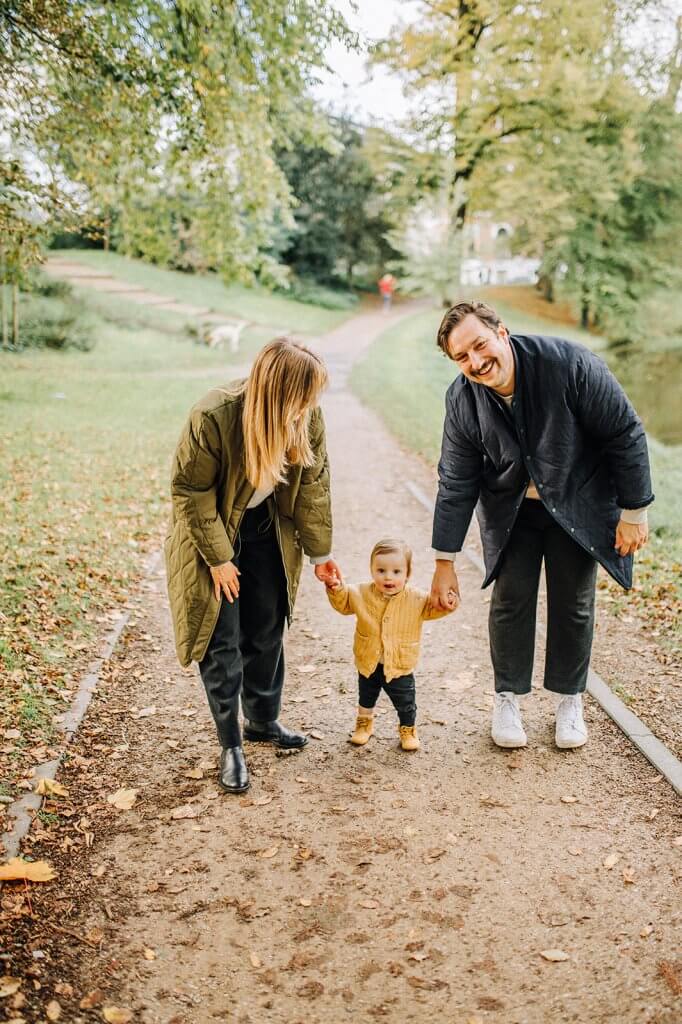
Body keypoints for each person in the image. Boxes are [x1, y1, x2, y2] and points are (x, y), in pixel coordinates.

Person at [429, 301, 653, 751]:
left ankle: (570, 700)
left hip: (578, 500)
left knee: (574, 602)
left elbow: (624, 432)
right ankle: (506, 697)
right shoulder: (462, 400)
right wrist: (444, 561)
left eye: (480, 345)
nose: (476, 362)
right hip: (512, 510)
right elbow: (456, 481)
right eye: (462, 357)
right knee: (510, 601)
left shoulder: (570, 365)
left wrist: (634, 512)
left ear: (502, 331)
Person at [165, 338, 342, 794]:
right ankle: (231, 746)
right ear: (275, 391)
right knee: (220, 639)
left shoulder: (306, 416)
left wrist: (321, 556)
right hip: (214, 534)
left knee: (266, 629)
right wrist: (220, 559)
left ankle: (263, 722)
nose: (308, 407)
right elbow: (189, 490)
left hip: (266, 530)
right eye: (301, 397)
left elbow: (313, 486)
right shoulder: (215, 415)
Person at [326, 538, 455, 751]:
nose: (388, 576)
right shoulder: (360, 593)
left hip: (399, 664)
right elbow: (344, 602)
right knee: (366, 696)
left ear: (407, 574)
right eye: (381, 570)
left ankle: (408, 728)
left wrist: (448, 603)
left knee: (405, 700)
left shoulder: (417, 599)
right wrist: (336, 588)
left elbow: (433, 609)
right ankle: (364, 724)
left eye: (396, 572)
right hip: (369, 660)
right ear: (371, 570)